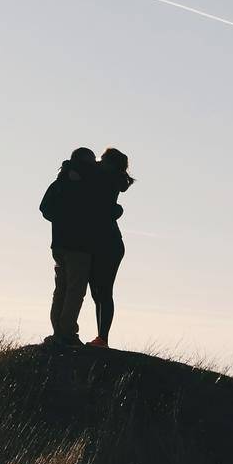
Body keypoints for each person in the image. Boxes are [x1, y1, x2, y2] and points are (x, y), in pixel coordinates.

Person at [39, 148, 101, 344]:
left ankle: (58, 330)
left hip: (58, 242)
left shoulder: (59, 183)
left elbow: (45, 208)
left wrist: (60, 220)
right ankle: (67, 332)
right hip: (79, 245)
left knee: (61, 288)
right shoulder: (87, 184)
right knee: (75, 289)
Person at [87, 147, 134, 348]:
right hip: (105, 242)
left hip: (108, 244)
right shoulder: (110, 178)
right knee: (98, 292)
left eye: (103, 159)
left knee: (103, 291)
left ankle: (102, 338)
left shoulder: (107, 180)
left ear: (111, 165)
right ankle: (101, 337)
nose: (99, 162)